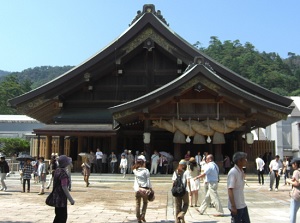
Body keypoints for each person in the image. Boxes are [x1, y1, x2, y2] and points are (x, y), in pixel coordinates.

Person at [227, 152, 251, 223]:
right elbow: (230, 189)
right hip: (236, 205)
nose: (246, 161)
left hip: (242, 203)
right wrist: (233, 206)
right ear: (239, 161)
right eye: (244, 159)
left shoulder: (241, 171)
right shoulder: (233, 172)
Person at [52, 155, 75, 223]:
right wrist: (71, 200)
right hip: (61, 199)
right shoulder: (63, 174)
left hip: (56, 197)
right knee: (62, 217)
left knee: (58, 216)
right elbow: (64, 187)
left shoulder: (57, 171)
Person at [132, 155, 152, 223]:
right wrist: (150, 188)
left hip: (138, 189)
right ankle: (143, 214)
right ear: (143, 163)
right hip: (145, 189)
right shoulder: (146, 171)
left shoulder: (135, 170)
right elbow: (148, 181)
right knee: (145, 202)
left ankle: (138, 218)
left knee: (138, 203)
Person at [286, 157, 300, 223]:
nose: (292, 165)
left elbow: (297, 184)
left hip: (296, 195)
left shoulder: (296, 172)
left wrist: (288, 180)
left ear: (296, 164)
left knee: (292, 214)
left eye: (292, 164)